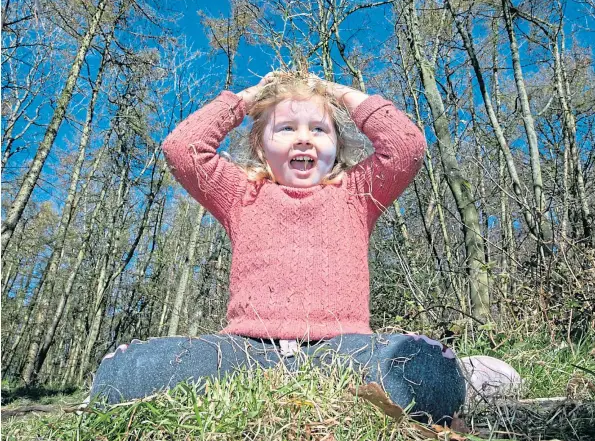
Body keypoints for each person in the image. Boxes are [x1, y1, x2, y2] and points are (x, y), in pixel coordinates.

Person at [90, 71, 466, 424]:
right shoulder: (240, 194)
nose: (303, 137)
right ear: (259, 145)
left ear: (336, 145)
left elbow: (406, 146)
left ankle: (466, 374)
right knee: (131, 373)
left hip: (339, 351)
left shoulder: (357, 193)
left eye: (319, 129)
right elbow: (182, 149)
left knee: (426, 370)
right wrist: (250, 98)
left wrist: (338, 93)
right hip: (244, 352)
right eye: (286, 128)